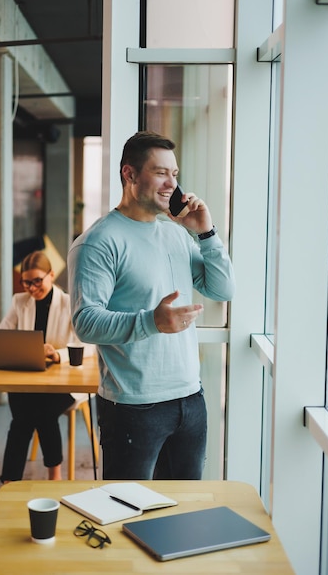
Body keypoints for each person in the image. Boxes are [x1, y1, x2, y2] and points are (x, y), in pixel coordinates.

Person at [67, 130, 235, 480]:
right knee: (128, 512)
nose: (171, 184)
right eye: (161, 173)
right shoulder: (98, 242)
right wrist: (151, 322)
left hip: (190, 398)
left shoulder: (175, 233)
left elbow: (222, 289)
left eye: (174, 174)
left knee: (183, 513)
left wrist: (205, 234)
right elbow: (85, 321)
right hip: (133, 406)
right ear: (129, 174)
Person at [0, 250, 77, 482]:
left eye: (37, 281)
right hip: (29, 380)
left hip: (63, 382)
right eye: (26, 283)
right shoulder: (19, 301)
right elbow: (2, 335)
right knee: (28, 412)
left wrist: (57, 355)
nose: (31, 288)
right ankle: (53, 474)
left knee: (33, 414)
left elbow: (86, 346)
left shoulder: (68, 303)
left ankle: (11, 480)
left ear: (51, 275)